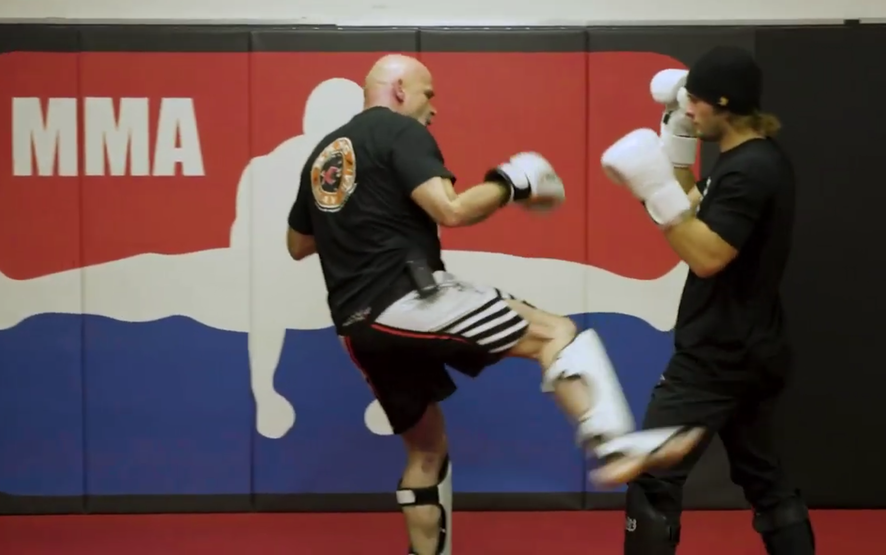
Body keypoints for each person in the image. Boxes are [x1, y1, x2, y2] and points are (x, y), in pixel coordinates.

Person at [285, 54, 699, 555]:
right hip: (407, 299)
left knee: (426, 449)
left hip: (357, 330)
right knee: (555, 333)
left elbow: (298, 243)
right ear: (398, 90)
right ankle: (614, 445)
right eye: (428, 93)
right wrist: (511, 183)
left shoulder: (324, 155)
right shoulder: (398, 130)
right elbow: (451, 210)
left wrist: (361, 227)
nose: (434, 108)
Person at [600, 46, 816, 554]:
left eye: (695, 101)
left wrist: (652, 189)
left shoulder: (751, 170)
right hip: (752, 346)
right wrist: (676, 151)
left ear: (726, 104)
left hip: (717, 354)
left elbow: (707, 255)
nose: (687, 108)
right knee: (766, 483)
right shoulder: (744, 161)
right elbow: (693, 210)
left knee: (653, 478)